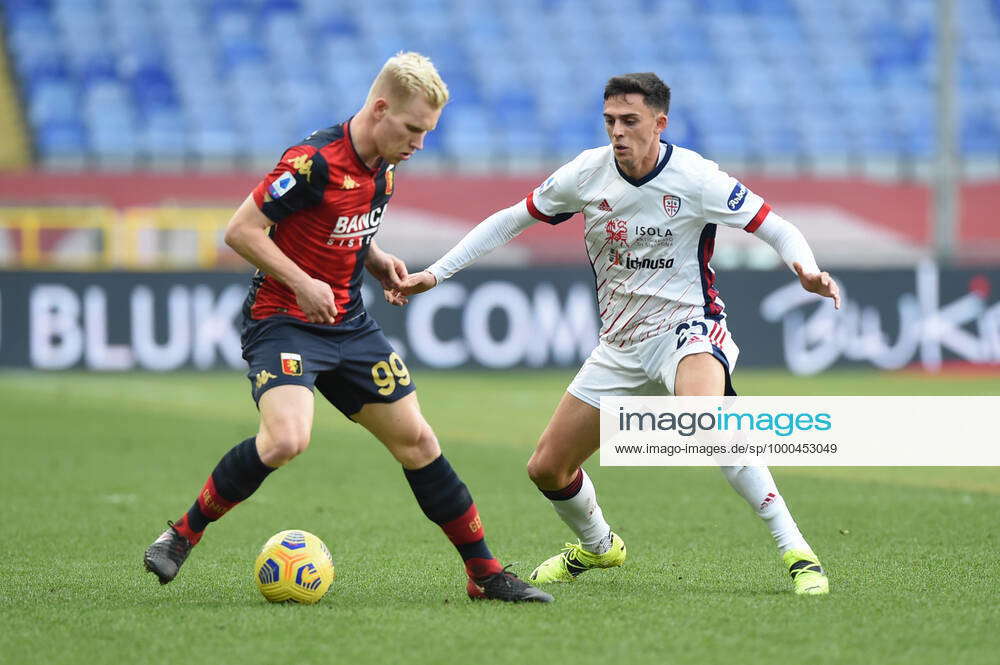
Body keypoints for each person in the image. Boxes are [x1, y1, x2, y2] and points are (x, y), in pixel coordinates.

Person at [394, 72, 840, 595]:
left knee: (706, 420)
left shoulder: (696, 179)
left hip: (687, 328)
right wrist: (436, 273)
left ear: (659, 122)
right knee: (547, 469)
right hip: (620, 347)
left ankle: (797, 553)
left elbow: (777, 226)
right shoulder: (587, 173)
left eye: (630, 121)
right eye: (610, 121)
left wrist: (804, 268)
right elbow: (511, 220)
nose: (618, 132)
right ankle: (600, 546)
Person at [143, 52, 551, 603]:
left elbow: (343, 224)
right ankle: (180, 535)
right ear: (380, 109)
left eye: (427, 132)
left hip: (348, 325)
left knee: (419, 441)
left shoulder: (384, 164)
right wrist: (303, 282)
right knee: (288, 439)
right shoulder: (311, 163)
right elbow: (241, 231)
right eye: (412, 129)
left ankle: (484, 574)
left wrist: (376, 258)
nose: (419, 144)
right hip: (284, 321)